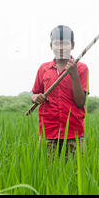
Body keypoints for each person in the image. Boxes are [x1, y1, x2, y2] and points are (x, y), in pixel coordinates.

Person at [31, 25, 89, 161]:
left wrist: (73, 74)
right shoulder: (43, 69)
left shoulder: (81, 68)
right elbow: (33, 94)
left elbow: (81, 102)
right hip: (48, 133)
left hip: (73, 134)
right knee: (48, 176)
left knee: (75, 176)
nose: (61, 47)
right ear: (51, 46)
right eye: (57, 43)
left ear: (73, 45)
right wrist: (35, 97)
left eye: (66, 43)